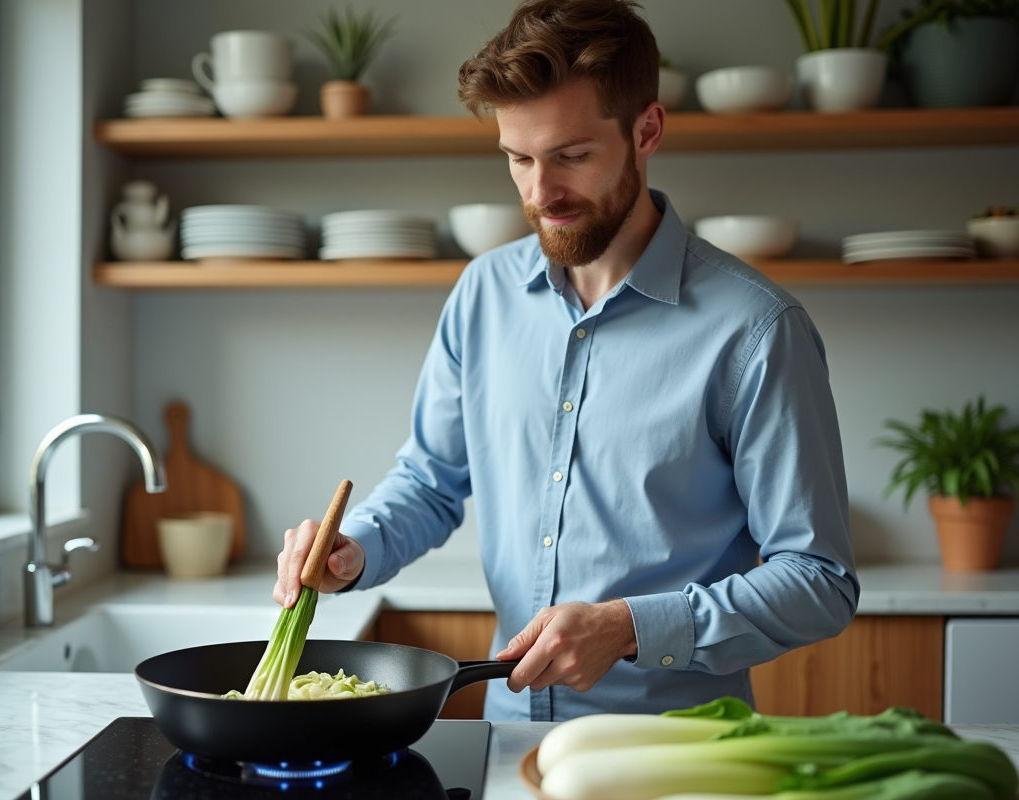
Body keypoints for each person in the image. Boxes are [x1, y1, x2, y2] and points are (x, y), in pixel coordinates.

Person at [274, 0, 858, 723]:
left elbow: (819, 580)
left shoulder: (758, 330)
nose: (539, 193)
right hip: (509, 735)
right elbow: (431, 480)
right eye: (518, 158)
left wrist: (631, 627)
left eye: (572, 156)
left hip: (672, 749)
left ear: (647, 131)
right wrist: (354, 549)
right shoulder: (483, 294)